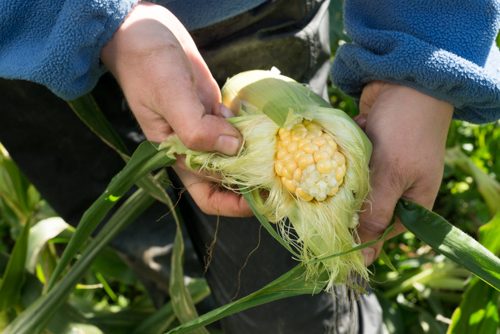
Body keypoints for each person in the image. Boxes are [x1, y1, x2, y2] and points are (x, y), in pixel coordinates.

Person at [1, 0, 499, 333]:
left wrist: (424, 49)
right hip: (18, 45)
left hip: (238, 15)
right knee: (128, 222)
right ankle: (190, 288)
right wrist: (90, 18)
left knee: (287, 303)